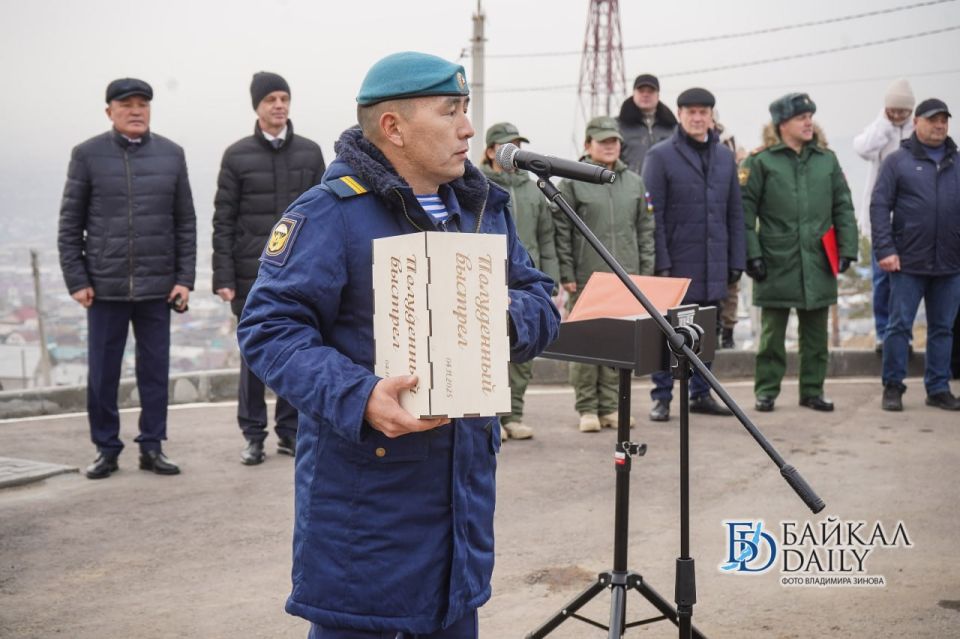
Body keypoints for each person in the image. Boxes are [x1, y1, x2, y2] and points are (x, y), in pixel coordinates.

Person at [236, 52, 560, 637]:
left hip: (462, 505)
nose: (468, 128)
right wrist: (358, 396)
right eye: (451, 111)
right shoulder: (332, 214)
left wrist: (500, 324)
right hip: (368, 506)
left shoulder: (481, 208)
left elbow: (537, 294)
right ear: (393, 127)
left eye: (467, 110)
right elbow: (269, 328)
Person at [58, 78, 196, 479]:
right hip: (104, 287)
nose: (136, 110)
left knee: (154, 372)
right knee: (103, 373)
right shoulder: (86, 155)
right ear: (109, 111)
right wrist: (77, 279)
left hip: (158, 287)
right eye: (126, 104)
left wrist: (184, 277)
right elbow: (70, 224)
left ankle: (152, 446)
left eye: (142, 104)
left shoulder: (172, 155)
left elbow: (184, 221)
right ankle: (106, 448)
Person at [212, 72, 326, 465]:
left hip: (302, 272)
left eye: (284, 98)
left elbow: (326, 215)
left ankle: (290, 432)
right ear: (257, 106)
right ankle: (253, 435)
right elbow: (223, 220)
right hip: (249, 274)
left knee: (299, 350)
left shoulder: (311, 153)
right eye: (271, 99)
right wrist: (223, 277)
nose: (279, 105)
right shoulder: (237, 155)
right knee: (252, 358)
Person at [741, 93, 858, 412]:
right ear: (782, 125)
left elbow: (843, 206)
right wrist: (752, 254)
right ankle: (766, 391)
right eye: (801, 117)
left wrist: (847, 247)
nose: (809, 122)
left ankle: (812, 390)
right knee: (772, 335)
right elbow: (744, 211)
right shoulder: (760, 162)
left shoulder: (826, 160)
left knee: (816, 335)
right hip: (776, 259)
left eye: (810, 116)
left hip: (819, 258)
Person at [643, 88, 745, 422]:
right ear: (681, 114)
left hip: (714, 261)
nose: (698, 118)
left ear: (712, 116)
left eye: (704, 112)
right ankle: (662, 397)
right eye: (691, 112)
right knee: (669, 334)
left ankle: (701, 393)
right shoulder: (660, 156)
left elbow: (734, 213)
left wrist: (735, 261)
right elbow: (651, 216)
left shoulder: (725, 157)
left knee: (707, 331)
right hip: (676, 263)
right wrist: (661, 263)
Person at [554, 116, 655, 432]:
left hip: (625, 277)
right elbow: (562, 232)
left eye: (614, 141)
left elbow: (645, 230)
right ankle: (587, 409)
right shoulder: (570, 182)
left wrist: (645, 273)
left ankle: (611, 407)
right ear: (588, 145)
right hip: (587, 277)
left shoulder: (634, 183)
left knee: (617, 345)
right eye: (603, 141)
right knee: (587, 345)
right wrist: (567, 272)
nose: (610, 146)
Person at [870, 98, 960, 412]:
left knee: (942, 328)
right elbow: (880, 207)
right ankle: (893, 387)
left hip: (950, 263)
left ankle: (938, 388)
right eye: (933, 120)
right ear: (916, 123)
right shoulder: (897, 162)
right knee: (899, 327)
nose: (939, 126)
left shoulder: (957, 162)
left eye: (944, 121)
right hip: (907, 262)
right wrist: (885, 250)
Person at [480, 121, 559, 440]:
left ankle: (515, 414)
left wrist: (555, 278)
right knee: (491, 352)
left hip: (526, 276)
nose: (514, 150)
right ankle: (491, 416)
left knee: (524, 348)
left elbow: (547, 236)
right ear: (488, 151)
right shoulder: (476, 186)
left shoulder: (533, 188)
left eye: (517, 144)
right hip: (489, 277)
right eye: (504, 144)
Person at [853, 78, 916, 353]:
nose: (900, 115)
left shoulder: (917, 132)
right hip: (881, 220)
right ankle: (882, 333)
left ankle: (904, 334)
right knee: (881, 281)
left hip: (911, 221)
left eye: (904, 111)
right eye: (895, 110)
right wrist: (886, 125)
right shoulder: (879, 129)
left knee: (909, 284)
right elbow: (863, 148)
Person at [617, 73, 678, 175]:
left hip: (663, 186)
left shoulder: (672, 127)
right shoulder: (618, 126)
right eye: (641, 91)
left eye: (650, 91)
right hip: (630, 187)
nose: (645, 95)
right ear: (634, 94)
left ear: (658, 95)